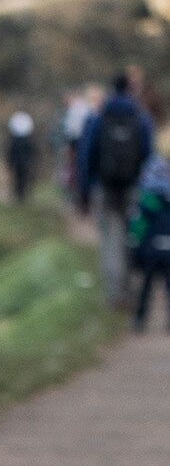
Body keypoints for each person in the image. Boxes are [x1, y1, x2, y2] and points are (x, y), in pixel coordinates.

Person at [78, 74, 155, 308]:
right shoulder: (141, 118)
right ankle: (130, 290)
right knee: (132, 237)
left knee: (110, 240)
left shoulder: (99, 117)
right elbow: (149, 156)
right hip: (133, 188)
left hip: (105, 188)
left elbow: (87, 156)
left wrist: (84, 191)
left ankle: (115, 294)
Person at [127, 135, 170, 331]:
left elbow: (138, 224)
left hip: (150, 249)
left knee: (146, 285)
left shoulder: (148, 196)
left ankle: (140, 319)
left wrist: (134, 243)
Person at [5, 110, 36, 203]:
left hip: (19, 161)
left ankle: (20, 194)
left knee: (21, 177)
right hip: (23, 161)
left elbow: (11, 152)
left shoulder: (15, 140)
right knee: (21, 177)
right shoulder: (27, 140)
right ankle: (20, 194)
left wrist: (10, 161)